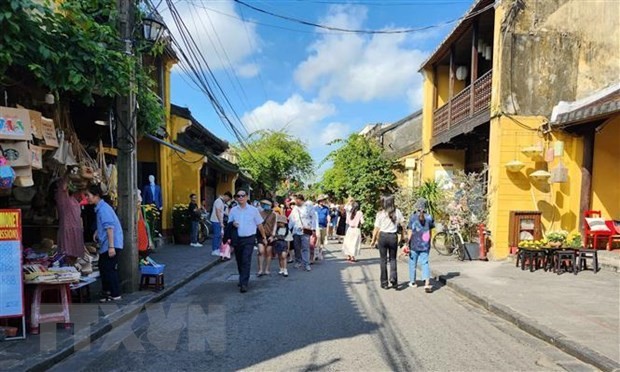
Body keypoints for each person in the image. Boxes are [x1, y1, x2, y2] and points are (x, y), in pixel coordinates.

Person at [86, 184, 124, 302]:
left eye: (88, 195)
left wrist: (111, 246)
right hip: (108, 244)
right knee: (104, 267)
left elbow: (109, 228)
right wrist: (98, 231)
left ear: (96, 196)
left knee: (109, 268)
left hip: (112, 243)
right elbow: (105, 225)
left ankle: (115, 294)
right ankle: (108, 292)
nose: (87, 198)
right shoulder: (101, 208)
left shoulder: (103, 209)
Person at [228, 189, 268, 293]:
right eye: (238, 196)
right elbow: (229, 223)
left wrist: (264, 237)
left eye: (243, 195)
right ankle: (242, 277)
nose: (240, 198)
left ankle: (244, 283)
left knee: (246, 259)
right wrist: (233, 224)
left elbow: (259, 224)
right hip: (237, 238)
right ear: (236, 198)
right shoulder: (233, 210)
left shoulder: (253, 210)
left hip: (249, 238)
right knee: (240, 260)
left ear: (246, 197)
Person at [370, 194, 405, 290]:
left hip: (383, 237)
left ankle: (384, 282)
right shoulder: (397, 212)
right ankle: (393, 278)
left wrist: (373, 240)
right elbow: (403, 225)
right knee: (393, 259)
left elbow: (376, 228)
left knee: (383, 260)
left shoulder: (380, 213)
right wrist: (402, 237)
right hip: (393, 237)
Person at [407, 198, 435, 293]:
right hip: (425, 243)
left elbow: (410, 231)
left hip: (414, 243)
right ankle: (427, 283)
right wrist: (429, 241)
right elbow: (430, 231)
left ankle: (413, 282)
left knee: (412, 262)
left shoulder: (413, 217)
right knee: (425, 262)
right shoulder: (429, 217)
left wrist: (407, 243)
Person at [288, 194, 317, 272]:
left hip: (305, 230)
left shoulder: (309, 208)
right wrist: (288, 228)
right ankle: (298, 261)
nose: (295, 203)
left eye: (296, 201)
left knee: (305, 247)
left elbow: (314, 218)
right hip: (296, 230)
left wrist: (313, 229)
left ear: (300, 200)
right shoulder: (295, 209)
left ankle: (306, 264)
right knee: (297, 247)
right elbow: (291, 219)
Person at [257, 199, 277, 276]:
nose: (266, 206)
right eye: (264, 204)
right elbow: (258, 225)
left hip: (270, 235)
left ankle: (267, 269)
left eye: (268, 204)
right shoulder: (259, 213)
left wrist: (273, 236)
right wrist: (263, 237)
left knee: (268, 252)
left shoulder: (274, 214)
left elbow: (275, 225)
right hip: (260, 235)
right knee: (261, 251)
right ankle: (260, 269)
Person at [210, 192, 232, 256]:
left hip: (218, 221)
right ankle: (214, 250)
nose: (228, 201)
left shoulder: (222, 202)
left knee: (219, 235)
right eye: (228, 199)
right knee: (217, 235)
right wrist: (221, 222)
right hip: (216, 220)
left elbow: (224, 212)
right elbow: (218, 212)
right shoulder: (218, 201)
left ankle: (217, 248)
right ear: (226, 196)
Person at [314, 195, 330, 260]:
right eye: (321, 200)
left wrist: (328, 220)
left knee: (322, 240)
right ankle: (316, 253)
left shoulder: (326, 208)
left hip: (324, 226)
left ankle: (320, 252)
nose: (322, 202)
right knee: (317, 239)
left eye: (323, 200)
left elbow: (328, 216)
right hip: (317, 226)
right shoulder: (315, 208)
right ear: (318, 201)